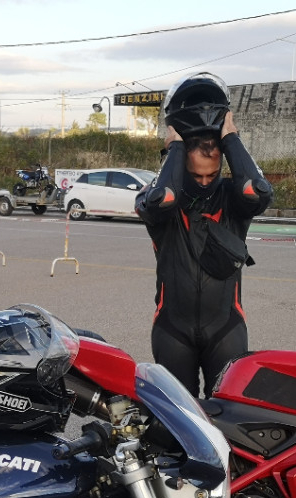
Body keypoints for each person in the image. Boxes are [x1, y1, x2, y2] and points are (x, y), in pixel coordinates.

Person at [136, 72, 273, 398]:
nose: (204, 181)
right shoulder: (162, 200)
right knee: (177, 419)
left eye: (212, 174)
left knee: (227, 418)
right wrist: (176, 147)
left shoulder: (232, 199)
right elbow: (161, 200)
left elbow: (258, 191)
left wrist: (231, 138)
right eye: (196, 175)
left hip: (225, 328)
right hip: (173, 330)